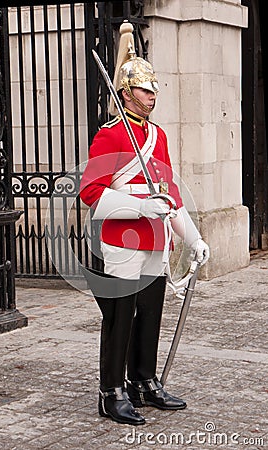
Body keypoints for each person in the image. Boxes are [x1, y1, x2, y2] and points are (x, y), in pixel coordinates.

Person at [80, 20, 210, 426]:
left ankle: (143, 380)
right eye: (143, 90)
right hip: (122, 240)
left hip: (156, 242)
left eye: (154, 90)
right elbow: (91, 193)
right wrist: (139, 206)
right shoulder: (112, 135)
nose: (151, 97)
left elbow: (169, 196)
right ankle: (111, 391)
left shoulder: (158, 137)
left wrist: (193, 237)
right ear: (126, 92)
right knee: (121, 316)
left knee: (151, 312)